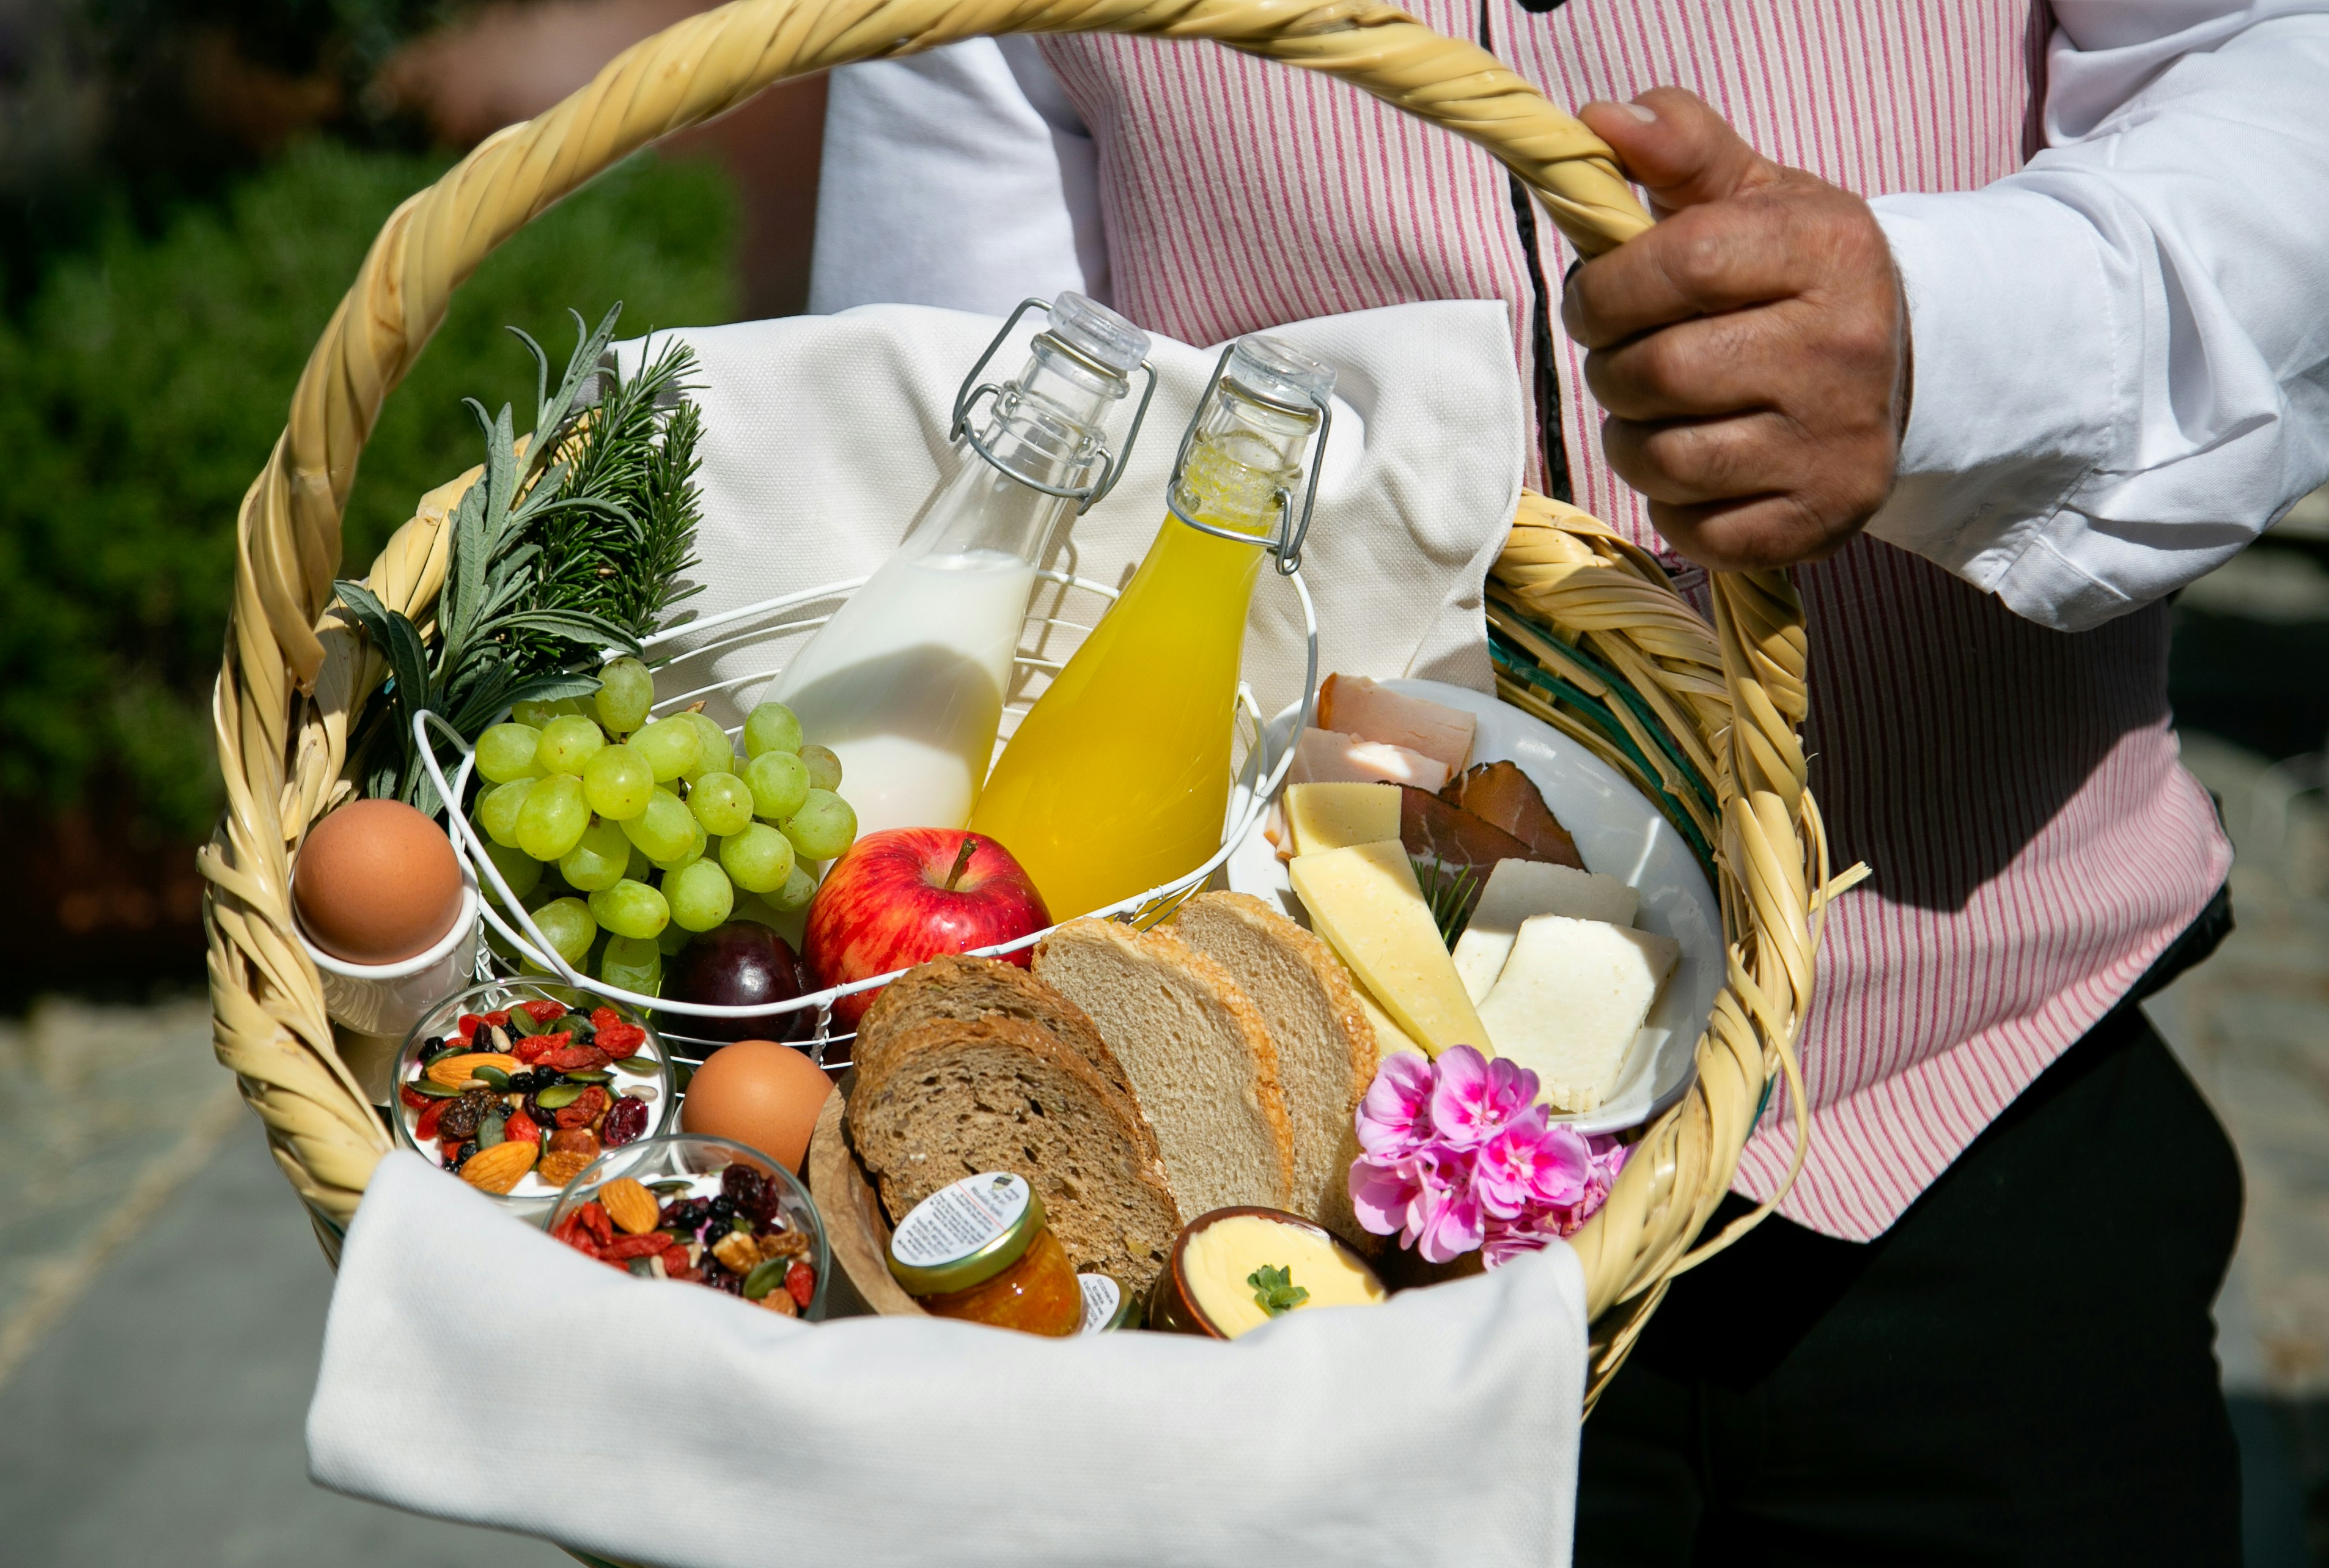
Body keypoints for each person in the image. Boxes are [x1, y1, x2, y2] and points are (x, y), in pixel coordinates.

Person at [806, 5, 2329, 1560]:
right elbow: (967, 418)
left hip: (1986, 1114)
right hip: (1329, 1239)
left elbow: (2287, 60)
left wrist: (1964, 338)